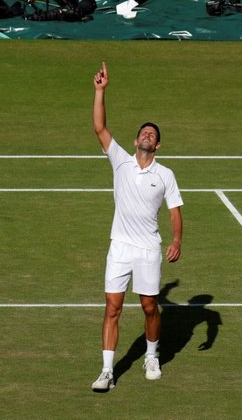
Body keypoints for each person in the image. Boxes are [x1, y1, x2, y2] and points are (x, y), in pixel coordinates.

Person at [89, 61, 182, 394]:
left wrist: (176, 239)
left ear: (157, 146)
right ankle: (106, 371)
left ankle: (152, 355)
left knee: (148, 306)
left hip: (148, 250)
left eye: (153, 135)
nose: (147, 135)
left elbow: (174, 210)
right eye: (144, 132)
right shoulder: (121, 162)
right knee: (112, 307)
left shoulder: (166, 175)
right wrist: (100, 91)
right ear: (135, 140)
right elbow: (100, 128)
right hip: (120, 247)